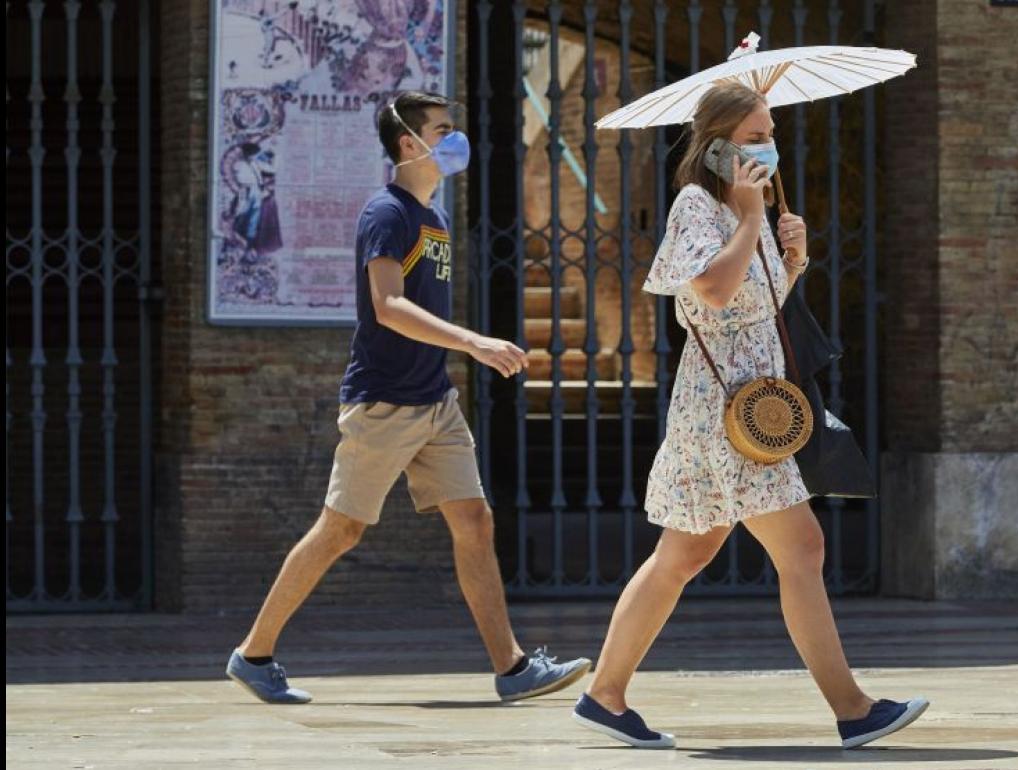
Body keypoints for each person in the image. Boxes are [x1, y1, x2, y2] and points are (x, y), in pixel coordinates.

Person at [570, 82, 927, 750]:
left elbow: (755, 306)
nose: (769, 144)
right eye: (756, 134)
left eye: (770, 132)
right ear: (717, 146)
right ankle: (852, 709)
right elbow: (711, 289)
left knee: (685, 551)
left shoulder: (743, 209)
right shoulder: (696, 208)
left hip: (748, 405)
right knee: (803, 547)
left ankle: (604, 694)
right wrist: (751, 218)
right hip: (722, 413)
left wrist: (793, 259)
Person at [226, 91, 591, 705]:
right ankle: (253, 653)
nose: (455, 139)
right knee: (340, 530)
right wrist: (473, 341)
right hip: (384, 403)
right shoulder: (386, 213)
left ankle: (513, 667)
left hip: (434, 402)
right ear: (409, 143)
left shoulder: (436, 218)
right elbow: (388, 306)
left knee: (474, 521)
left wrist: (457, 355)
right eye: (444, 129)